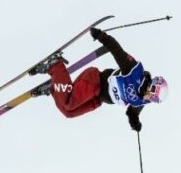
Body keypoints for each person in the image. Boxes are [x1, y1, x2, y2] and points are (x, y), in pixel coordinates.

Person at [28, 27, 168, 131]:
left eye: (152, 100)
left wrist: (134, 121)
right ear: (153, 85)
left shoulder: (141, 101)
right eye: (152, 95)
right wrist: (101, 36)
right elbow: (117, 50)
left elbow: (132, 112)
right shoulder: (134, 71)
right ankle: (56, 65)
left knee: (68, 113)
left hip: (97, 99)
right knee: (69, 103)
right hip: (95, 81)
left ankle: (55, 87)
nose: (149, 98)